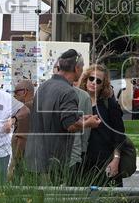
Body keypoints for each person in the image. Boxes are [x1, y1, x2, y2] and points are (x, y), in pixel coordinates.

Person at [23, 49, 101, 180]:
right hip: (51, 164)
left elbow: (54, 118)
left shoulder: (43, 86)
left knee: (35, 200)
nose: (82, 72)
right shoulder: (68, 91)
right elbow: (70, 125)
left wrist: (81, 118)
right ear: (76, 68)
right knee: (51, 200)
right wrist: (88, 123)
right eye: (82, 68)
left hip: (33, 160)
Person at [79, 65, 127, 187]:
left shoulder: (109, 104)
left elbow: (119, 134)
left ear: (103, 85)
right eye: (91, 78)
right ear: (85, 79)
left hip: (105, 160)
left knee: (107, 200)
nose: (94, 82)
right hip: (81, 160)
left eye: (98, 81)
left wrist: (116, 159)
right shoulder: (76, 101)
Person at [9, 78, 34, 173]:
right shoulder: (36, 105)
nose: (14, 95)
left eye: (16, 92)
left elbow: (22, 138)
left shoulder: (25, 108)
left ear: (24, 92)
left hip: (23, 161)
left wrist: (13, 164)